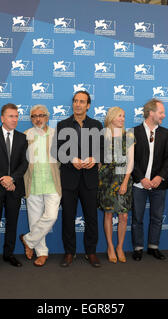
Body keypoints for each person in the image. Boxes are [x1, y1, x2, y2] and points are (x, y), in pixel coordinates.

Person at [56, 90, 104, 268]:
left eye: (82, 101)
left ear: (88, 105)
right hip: (69, 179)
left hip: (90, 180)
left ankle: (90, 252)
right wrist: (71, 159)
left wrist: (94, 159)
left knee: (91, 218)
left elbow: (102, 150)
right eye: (75, 101)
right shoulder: (62, 125)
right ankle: (69, 253)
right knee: (68, 218)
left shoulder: (96, 125)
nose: (78, 104)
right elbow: (58, 151)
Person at [0, 103, 28, 275]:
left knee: (12, 223)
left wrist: (12, 179)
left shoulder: (22, 138)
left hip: (14, 187)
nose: (15, 119)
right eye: (11, 116)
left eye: (16, 116)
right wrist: (3, 179)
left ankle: (9, 254)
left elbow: (24, 162)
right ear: (2, 118)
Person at [131, 98, 168, 261]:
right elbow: (130, 159)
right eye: (161, 112)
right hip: (138, 184)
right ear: (151, 113)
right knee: (137, 218)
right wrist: (141, 178)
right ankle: (138, 248)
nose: (163, 115)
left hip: (158, 184)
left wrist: (159, 177)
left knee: (157, 217)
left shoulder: (165, 133)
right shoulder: (133, 132)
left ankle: (153, 247)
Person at [20, 105, 61, 267]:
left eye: (41, 115)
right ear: (31, 119)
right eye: (34, 116)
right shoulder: (25, 136)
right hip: (33, 182)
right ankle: (42, 253)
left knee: (51, 216)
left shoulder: (56, 135)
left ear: (47, 117)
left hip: (52, 182)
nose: (38, 119)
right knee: (35, 220)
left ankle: (28, 240)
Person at [98, 107, 134, 263]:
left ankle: (120, 246)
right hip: (106, 178)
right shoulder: (102, 135)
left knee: (124, 215)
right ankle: (110, 247)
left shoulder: (129, 136)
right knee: (108, 213)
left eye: (124, 116)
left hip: (123, 177)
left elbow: (131, 161)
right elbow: (98, 160)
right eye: (120, 115)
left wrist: (125, 181)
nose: (122, 118)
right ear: (111, 117)